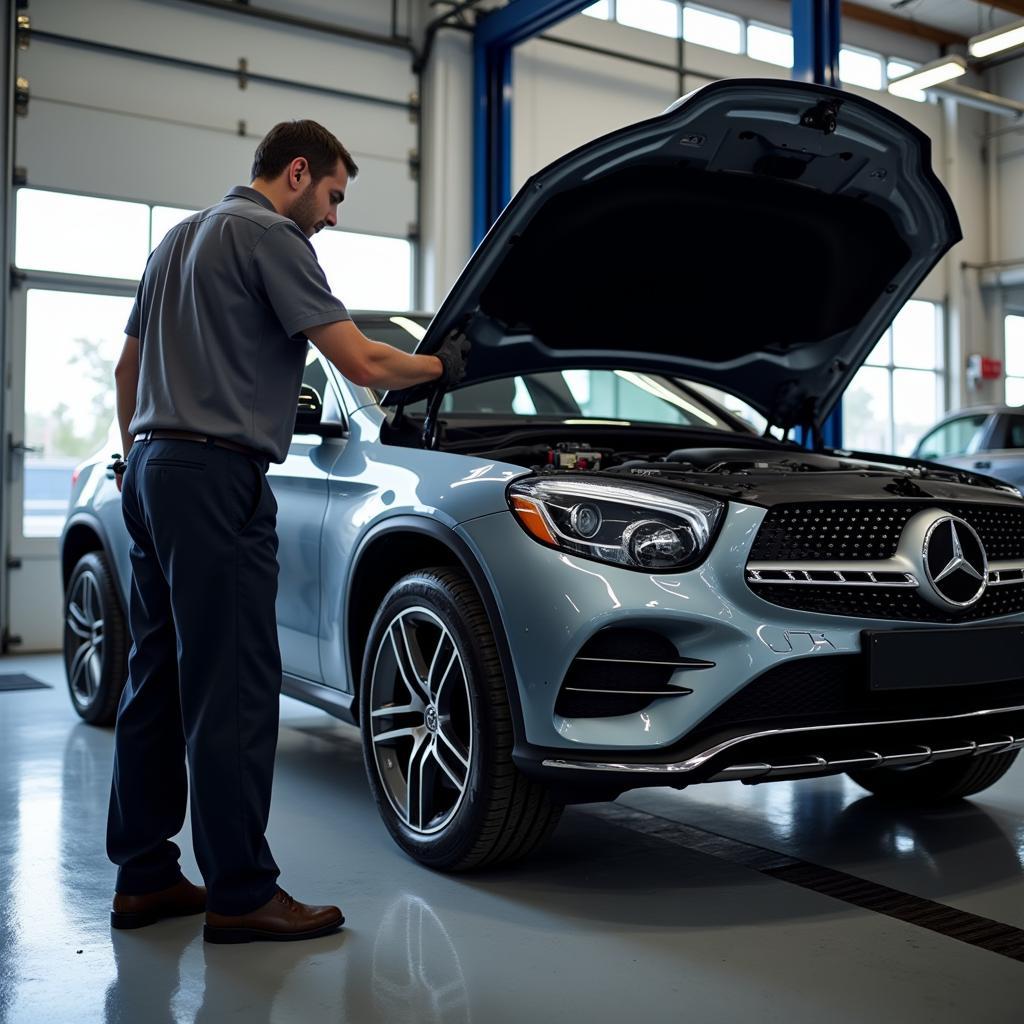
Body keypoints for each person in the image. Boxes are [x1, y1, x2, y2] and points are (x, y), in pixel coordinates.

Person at [107, 120, 470, 944]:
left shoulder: (176, 240)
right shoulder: (270, 236)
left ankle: (144, 878)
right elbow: (366, 366)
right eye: (335, 195)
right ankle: (240, 893)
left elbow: (127, 370)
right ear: (297, 171)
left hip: (153, 470)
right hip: (217, 479)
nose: (333, 216)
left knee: (155, 679)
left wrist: (136, 456)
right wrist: (446, 366)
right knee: (233, 687)